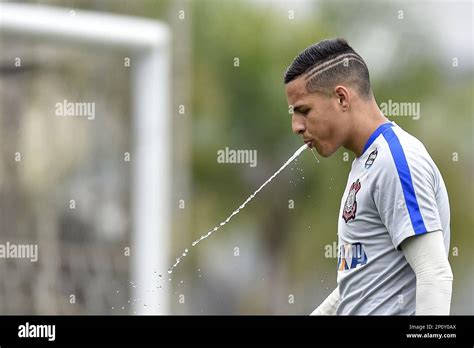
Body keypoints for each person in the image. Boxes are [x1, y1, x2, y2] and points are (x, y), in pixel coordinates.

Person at [283, 38, 453, 315]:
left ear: (341, 98)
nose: (296, 126)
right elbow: (362, 283)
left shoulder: (396, 159)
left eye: (304, 110)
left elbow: (434, 275)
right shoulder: (368, 163)